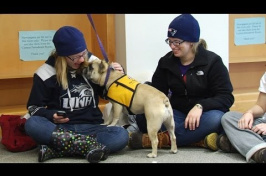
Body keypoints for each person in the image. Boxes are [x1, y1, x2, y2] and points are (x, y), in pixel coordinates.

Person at [128, 14, 234, 151]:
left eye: (177, 42)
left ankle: (155, 140)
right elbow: (156, 93)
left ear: (191, 41)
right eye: (170, 41)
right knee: (144, 117)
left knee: (217, 119)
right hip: (177, 113)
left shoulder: (213, 62)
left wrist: (200, 106)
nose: (172, 46)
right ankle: (199, 140)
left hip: (204, 114)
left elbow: (226, 97)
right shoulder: (165, 62)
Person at [24, 26, 129, 163]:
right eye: (75, 57)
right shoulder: (45, 73)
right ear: (63, 56)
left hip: (92, 127)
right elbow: (33, 108)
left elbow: (107, 94)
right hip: (61, 130)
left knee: (121, 136)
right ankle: (88, 147)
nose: (81, 60)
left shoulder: (92, 63)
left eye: (83, 53)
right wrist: (51, 116)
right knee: (32, 124)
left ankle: (57, 149)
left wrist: (117, 75)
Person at [217, 72, 266, 163]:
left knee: (227, 139)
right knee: (229, 118)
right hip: (262, 124)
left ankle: (242, 145)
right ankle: (260, 149)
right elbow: (261, 106)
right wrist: (249, 113)